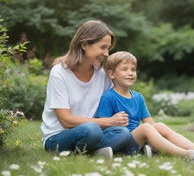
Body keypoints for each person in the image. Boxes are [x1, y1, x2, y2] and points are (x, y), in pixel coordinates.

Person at [95, 51, 194, 164]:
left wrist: (158, 136)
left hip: (138, 141)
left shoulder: (138, 97)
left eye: (133, 69)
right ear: (112, 74)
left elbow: (151, 124)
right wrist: (114, 121)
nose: (130, 73)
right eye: (125, 69)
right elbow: (102, 126)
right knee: (146, 128)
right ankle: (190, 156)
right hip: (123, 143)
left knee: (159, 125)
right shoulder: (109, 97)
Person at [40, 21, 134, 159]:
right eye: (103, 47)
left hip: (94, 131)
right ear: (84, 45)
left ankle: (91, 152)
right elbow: (65, 120)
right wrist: (107, 122)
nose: (107, 54)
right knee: (91, 129)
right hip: (58, 136)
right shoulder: (60, 72)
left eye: (108, 48)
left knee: (123, 133)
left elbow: (115, 101)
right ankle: (97, 150)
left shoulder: (102, 74)